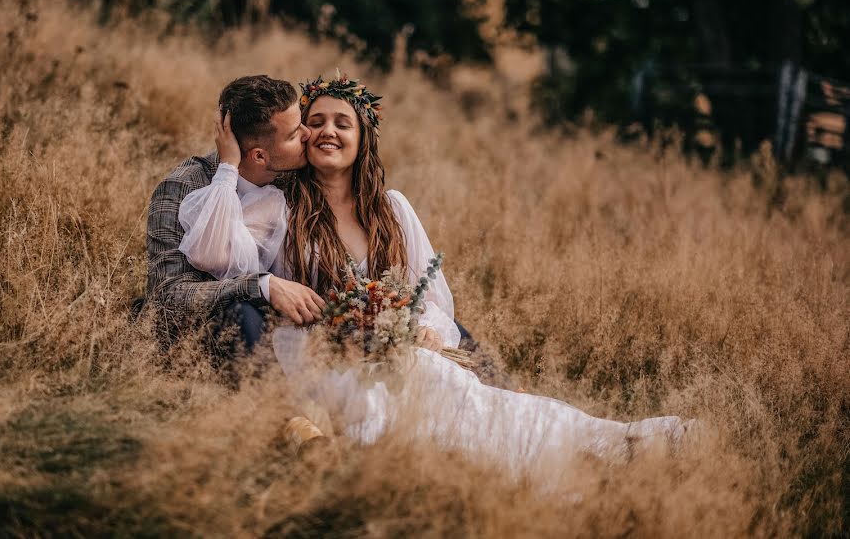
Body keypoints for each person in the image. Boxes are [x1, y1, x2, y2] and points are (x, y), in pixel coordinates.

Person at [178, 73, 693, 478]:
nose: (327, 131)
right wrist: (228, 166)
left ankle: (610, 444)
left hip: (399, 351)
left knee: (467, 399)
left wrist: (420, 326)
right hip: (322, 358)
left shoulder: (392, 208)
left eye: (343, 122)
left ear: (364, 139)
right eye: (315, 121)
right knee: (405, 409)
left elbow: (429, 292)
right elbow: (215, 254)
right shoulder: (279, 206)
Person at [145, 75, 326, 356]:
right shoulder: (182, 187)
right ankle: (269, 399)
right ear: (258, 157)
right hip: (205, 339)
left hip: (288, 327)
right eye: (293, 135)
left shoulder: (296, 178)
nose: (307, 134)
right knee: (243, 314)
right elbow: (168, 295)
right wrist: (261, 286)